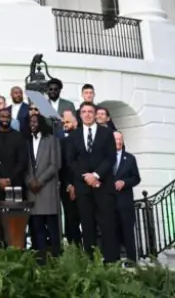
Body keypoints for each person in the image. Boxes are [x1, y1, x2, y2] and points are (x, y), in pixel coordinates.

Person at [66, 101, 118, 262]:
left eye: (90, 111)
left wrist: (95, 175)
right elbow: (71, 160)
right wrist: (86, 176)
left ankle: (110, 261)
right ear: (80, 115)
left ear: (95, 114)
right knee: (87, 225)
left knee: (107, 224)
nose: (87, 114)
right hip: (83, 188)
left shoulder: (106, 133)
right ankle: (90, 261)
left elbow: (110, 158)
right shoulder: (74, 135)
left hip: (102, 185)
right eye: (84, 112)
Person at [0, 108, 28, 247]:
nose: (5, 118)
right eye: (2, 116)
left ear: (11, 119)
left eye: (7, 116)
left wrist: (9, 179)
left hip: (15, 184)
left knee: (15, 217)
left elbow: (22, 161)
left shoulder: (19, 137)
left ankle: (16, 248)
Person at [25, 113, 61, 257]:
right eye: (30, 122)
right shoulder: (26, 141)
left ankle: (55, 257)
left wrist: (40, 181)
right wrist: (29, 181)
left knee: (52, 228)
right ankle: (40, 258)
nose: (32, 124)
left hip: (47, 189)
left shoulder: (51, 140)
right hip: (32, 190)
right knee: (36, 227)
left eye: (35, 121)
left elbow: (55, 164)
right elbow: (24, 164)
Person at [112, 131, 141, 262]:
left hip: (125, 202)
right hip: (110, 203)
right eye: (115, 139)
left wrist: (124, 182)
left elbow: (136, 178)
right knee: (112, 233)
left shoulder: (129, 158)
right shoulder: (104, 158)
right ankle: (115, 261)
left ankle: (131, 260)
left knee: (128, 233)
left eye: (120, 139)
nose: (118, 142)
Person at [55, 109, 81, 247]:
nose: (65, 124)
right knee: (70, 219)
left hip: (82, 184)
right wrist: (69, 184)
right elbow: (62, 165)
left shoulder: (81, 138)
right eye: (63, 122)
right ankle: (73, 249)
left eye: (68, 122)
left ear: (75, 123)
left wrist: (75, 183)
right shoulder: (61, 140)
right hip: (66, 185)